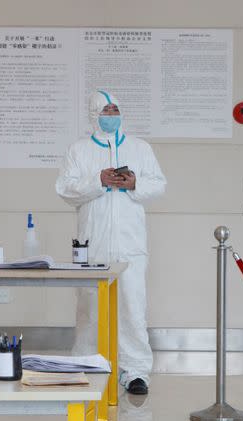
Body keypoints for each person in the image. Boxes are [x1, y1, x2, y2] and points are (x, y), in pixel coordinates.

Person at [56, 90, 166, 395]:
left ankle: (135, 372)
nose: (111, 115)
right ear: (93, 114)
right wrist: (99, 181)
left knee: (133, 305)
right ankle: (86, 364)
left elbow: (159, 184)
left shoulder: (140, 148)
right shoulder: (78, 150)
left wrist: (135, 184)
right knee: (90, 306)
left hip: (130, 245)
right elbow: (65, 189)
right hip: (93, 244)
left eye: (115, 109)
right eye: (105, 110)